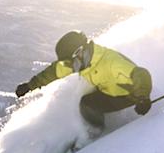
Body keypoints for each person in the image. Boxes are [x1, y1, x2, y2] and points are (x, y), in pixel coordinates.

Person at [15, 31, 153, 130]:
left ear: (79, 52)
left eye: (69, 61)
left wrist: (142, 98)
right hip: (107, 90)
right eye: (66, 62)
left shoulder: (111, 62)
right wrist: (29, 85)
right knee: (80, 99)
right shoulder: (79, 62)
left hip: (129, 95)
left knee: (87, 104)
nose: (68, 65)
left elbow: (141, 74)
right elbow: (54, 71)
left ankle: (96, 133)